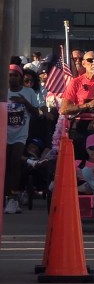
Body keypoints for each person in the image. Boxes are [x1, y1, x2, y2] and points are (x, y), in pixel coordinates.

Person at [60, 50, 94, 154]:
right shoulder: (76, 82)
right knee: (79, 159)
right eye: (90, 60)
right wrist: (88, 105)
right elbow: (64, 109)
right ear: (84, 63)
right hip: (81, 124)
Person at [5, 65, 40, 214]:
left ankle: (12, 198)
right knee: (5, 164)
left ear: (20, 77)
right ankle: (6, 195)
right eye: (10, 75)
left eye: (15, 75)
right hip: (4, 133)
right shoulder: (3, 91)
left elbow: (37, 113)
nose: (12, 78)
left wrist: (24, 101)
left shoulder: (29, 92)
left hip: (20, 134)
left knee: (15, 161)